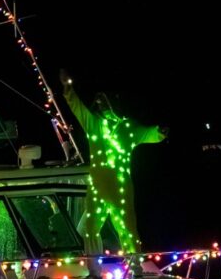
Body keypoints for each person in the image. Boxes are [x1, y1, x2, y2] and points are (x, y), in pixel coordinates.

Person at [59, 69, 167, 253]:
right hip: (97, 188)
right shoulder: (93, 124)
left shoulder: (127, 128)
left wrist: (159, 132)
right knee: (89, 229)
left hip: (120, 188)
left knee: (127, 229)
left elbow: (148, 133)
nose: (103, 108)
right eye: (101, 106)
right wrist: (68, 88)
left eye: (106, 105)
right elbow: (77, 107)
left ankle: (135, 269)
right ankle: (94, 269)